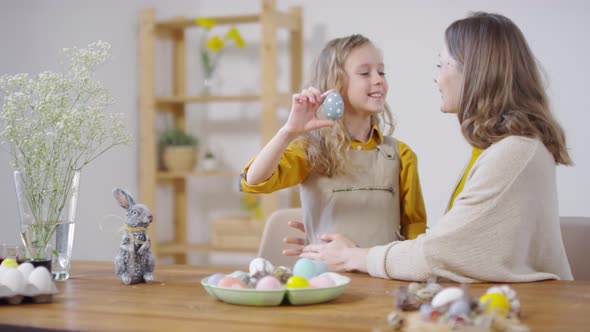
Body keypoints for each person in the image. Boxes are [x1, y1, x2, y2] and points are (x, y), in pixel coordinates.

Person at [297, 12, 574, 282]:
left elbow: (437, 254)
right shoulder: (504, 149)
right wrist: (323, 239)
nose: (436, 77)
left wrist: (352, 256)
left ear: (474, 71)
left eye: (442, 64)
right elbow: (456, 243)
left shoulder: (514, 153)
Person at [240, 34, 427, 250]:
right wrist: (289, 132)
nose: (378, 80)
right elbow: (254, 181)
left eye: (381, 72)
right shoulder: (311, 150)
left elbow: (415, 229)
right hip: (324, 278)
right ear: (335, 84)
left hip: (381, 279)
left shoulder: (401, 155)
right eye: (365, 73)